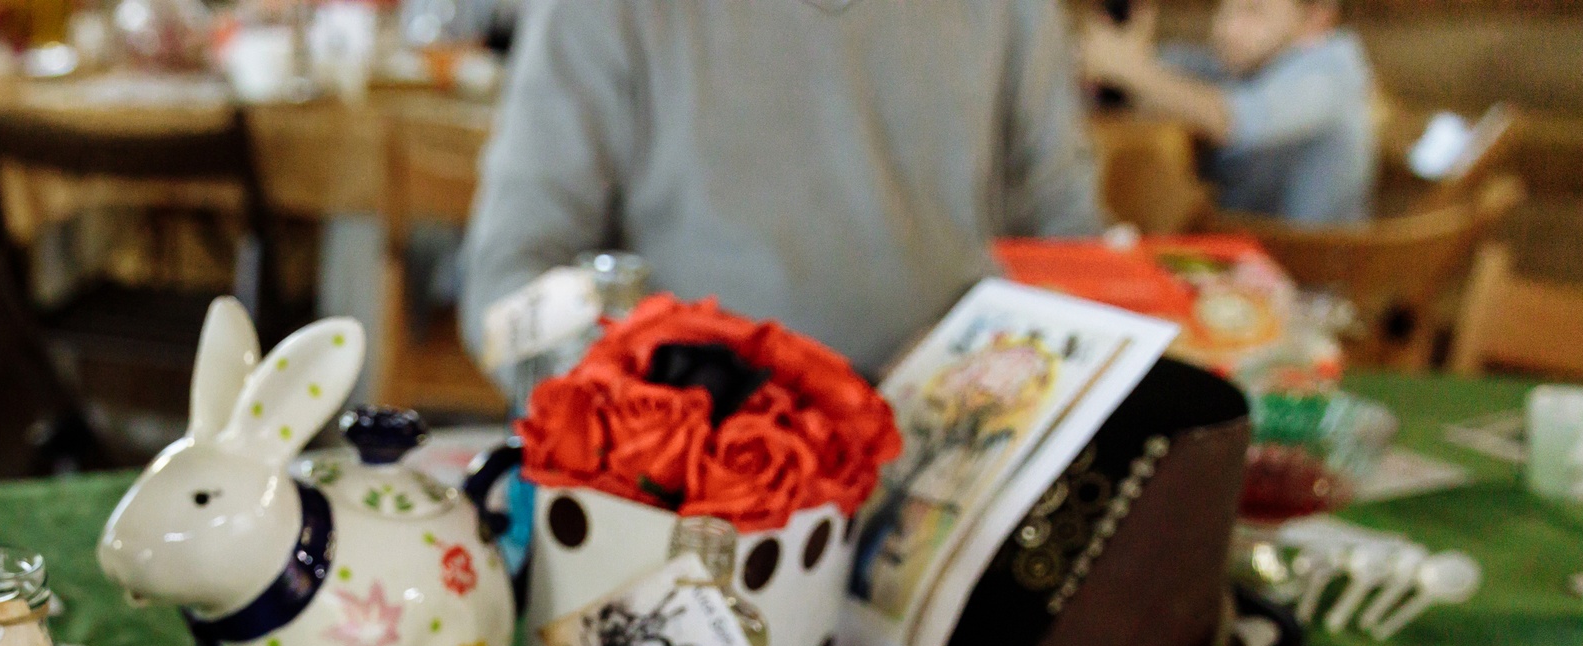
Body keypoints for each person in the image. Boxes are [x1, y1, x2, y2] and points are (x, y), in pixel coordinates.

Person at [457, 0, 1104, 377]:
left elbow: (1072, 242)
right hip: (689, 469)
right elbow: (507, 282)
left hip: (949, 439)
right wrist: (637, 414)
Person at [1080, 0, 1377, 224]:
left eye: (1253, 11)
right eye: (1224, 9)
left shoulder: (1332, 67)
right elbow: (1172, 72)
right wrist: (1126, 58)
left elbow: (1235, 119)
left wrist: (1132, 70)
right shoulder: (1245, 65)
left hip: (1310, 267)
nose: (1224, 29)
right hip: (1250, 253)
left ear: (1316, 17)